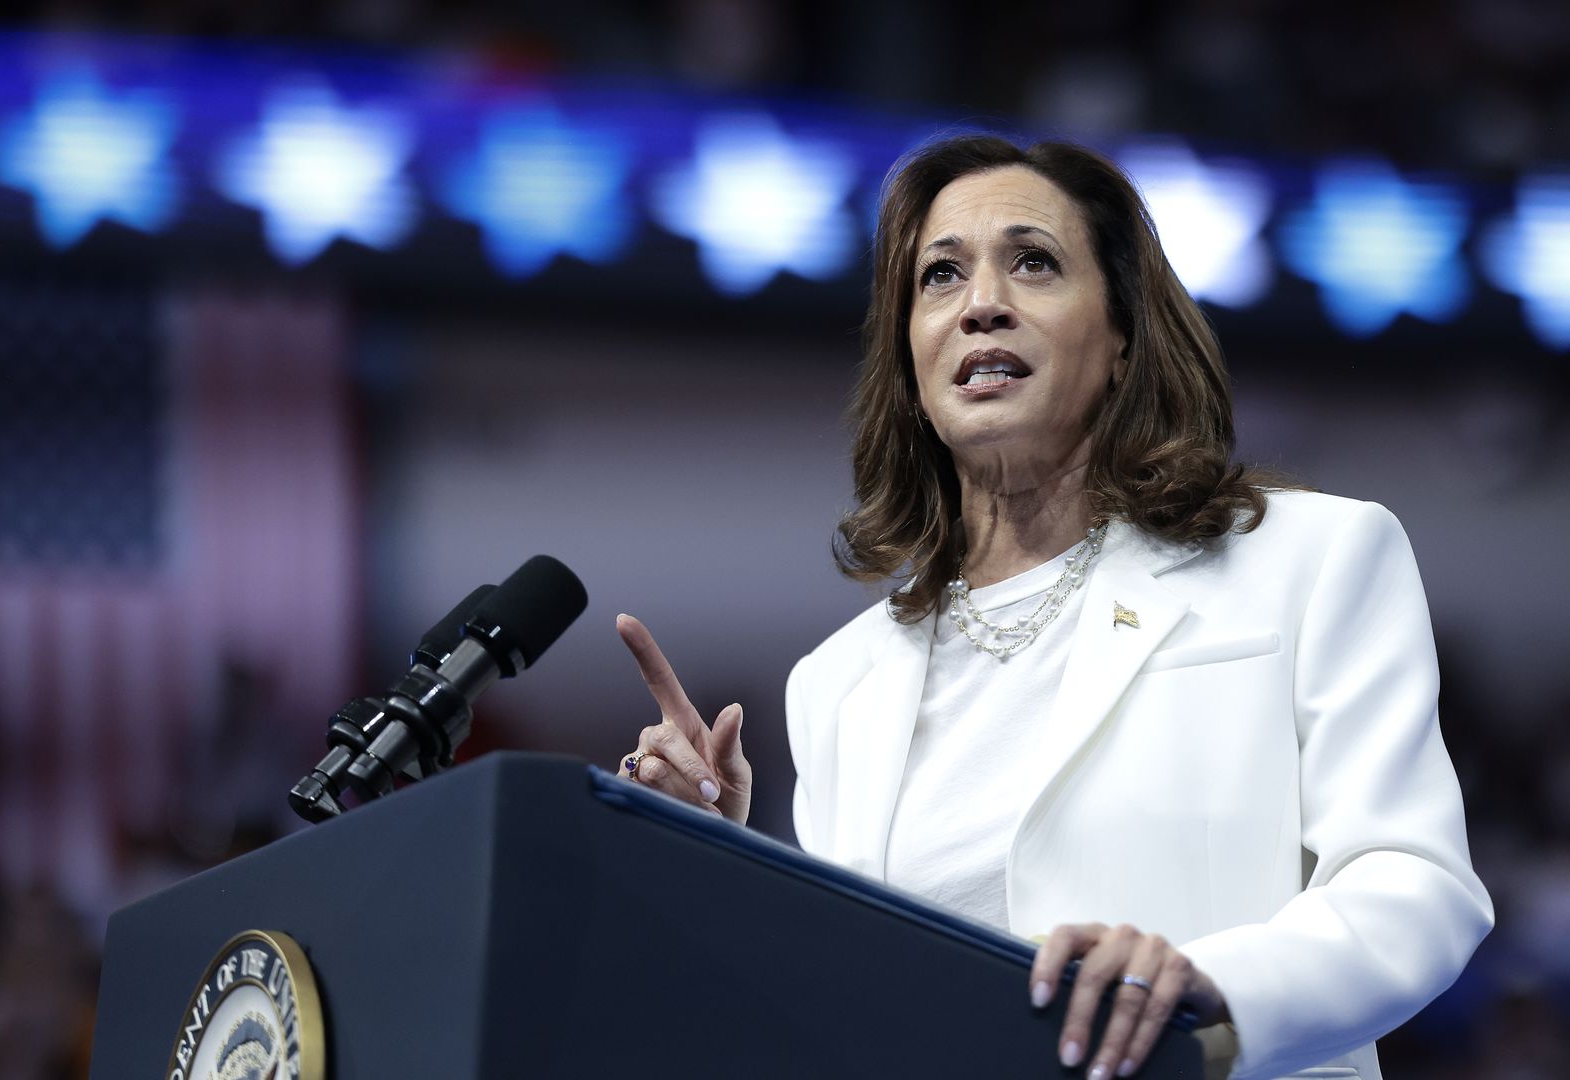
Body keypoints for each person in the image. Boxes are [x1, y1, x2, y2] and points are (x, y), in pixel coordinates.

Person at [614, 135, 1493, 1080]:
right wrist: (718, 866)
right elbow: (849, 1010)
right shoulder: (839, 683)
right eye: (940, 276)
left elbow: (1415, 887)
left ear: (1122, 339)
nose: (982, 303)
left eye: (1033, 262)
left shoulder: (1312, 559)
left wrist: (1207, 990)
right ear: (910, 360)